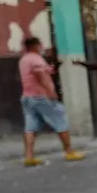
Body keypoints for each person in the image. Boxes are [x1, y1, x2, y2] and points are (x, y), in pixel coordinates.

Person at [19, 38, 85, 167]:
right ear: (35, 46)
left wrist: (53, 67)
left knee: (30, 127)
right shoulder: (36, 59)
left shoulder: (24, 60)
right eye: (40, 45)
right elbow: (41, 76)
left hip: (27, 97)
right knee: (60, 119)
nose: (42, 47)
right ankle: (69, 151)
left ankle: (29, 156)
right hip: (41, 96)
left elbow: (44, 71)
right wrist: (51, 92)